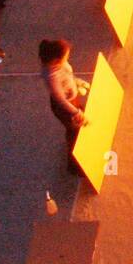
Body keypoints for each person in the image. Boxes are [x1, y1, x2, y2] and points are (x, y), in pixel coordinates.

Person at [39, 38, 89, 174]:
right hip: (65, 108)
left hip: (72, 99)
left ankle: (85, 149)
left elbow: (68, 75)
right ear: (56, 60)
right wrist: (76, 113)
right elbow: (60, 100)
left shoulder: (60, 64)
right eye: (66, 56)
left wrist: (76, 82)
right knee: (74, 133)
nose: (68, 58)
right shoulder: (51, 76)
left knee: (81, 126)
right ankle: (74, 165)